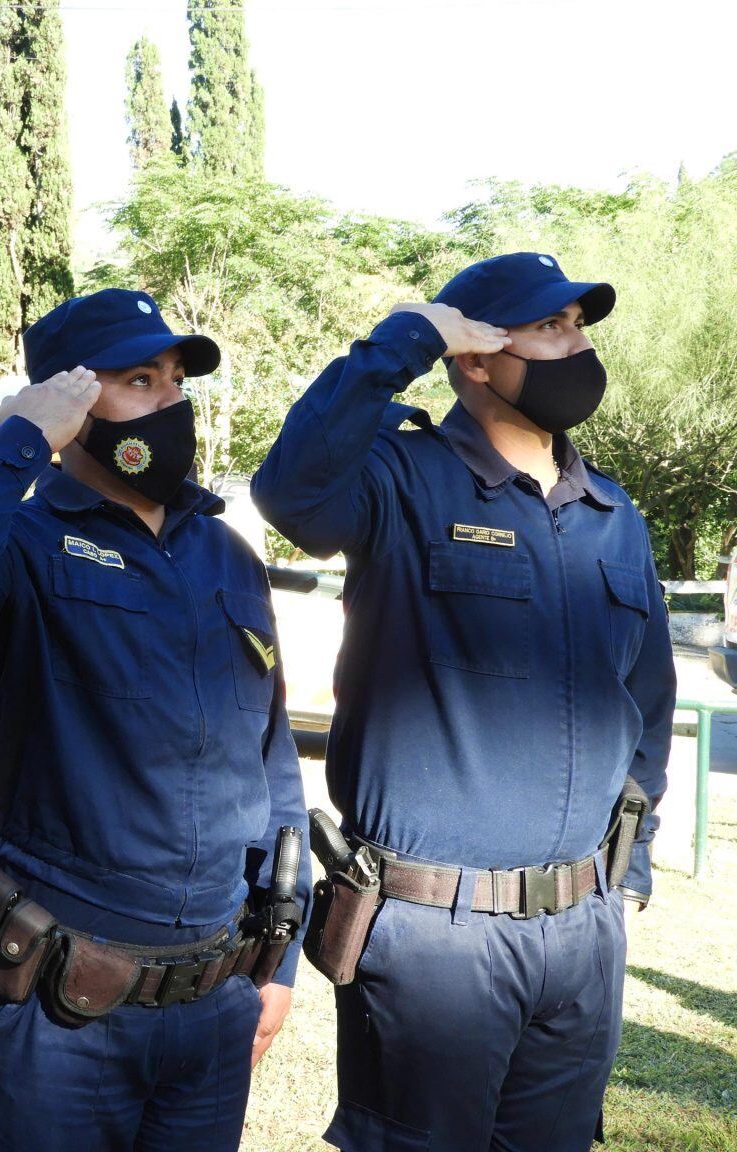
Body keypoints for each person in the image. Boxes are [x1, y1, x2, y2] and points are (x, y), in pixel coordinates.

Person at [251, 252, 674, 1151]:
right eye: (549, 327)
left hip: (582, 936)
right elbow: (292, 495)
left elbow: (646, 703)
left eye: (579, 326)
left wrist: (625, 879)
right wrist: (406, 339)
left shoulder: (613, 514)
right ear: (475, 359)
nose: (577, 346)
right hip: (435, 938)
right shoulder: (401, 480)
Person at [0, 288, 310, 1152]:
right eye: (139, 380)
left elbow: (271, 761)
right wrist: (23, 436)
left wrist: (279, 959)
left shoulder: (226, 556)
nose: (169, 402)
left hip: (211, 1004)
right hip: (60, 1010)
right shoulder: (23, 542)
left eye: (176, 381)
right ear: (74, 400)